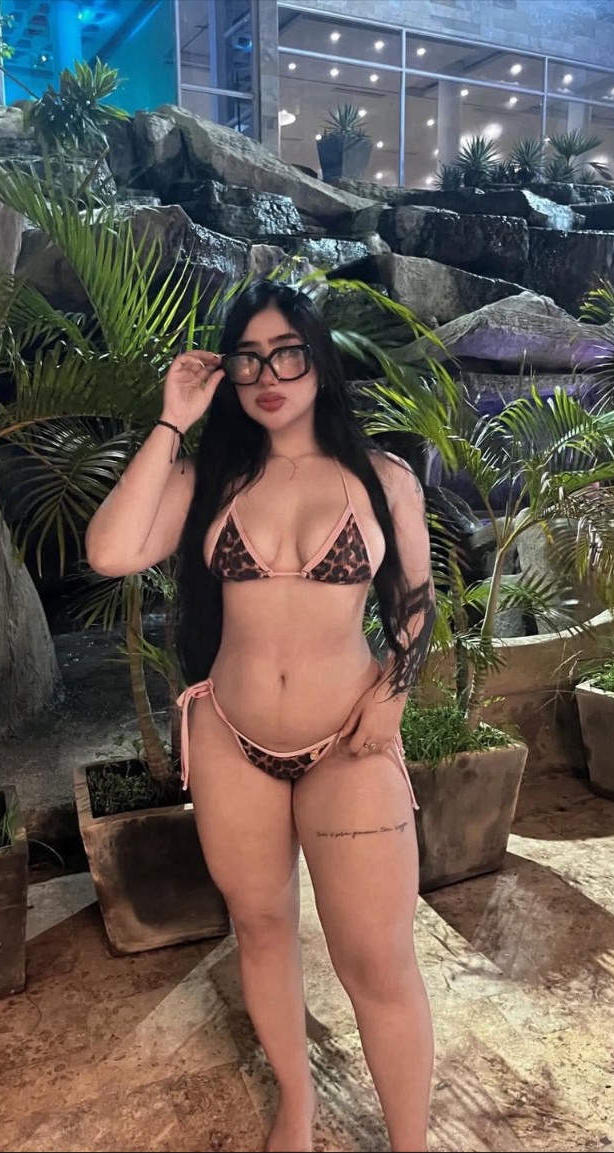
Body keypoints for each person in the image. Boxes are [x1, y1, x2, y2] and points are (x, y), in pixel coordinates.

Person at [86, 281, 436, 1153]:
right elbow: (111, 550)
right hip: (231, 738)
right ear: (229, 372)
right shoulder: (211, 478)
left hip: (348, 743)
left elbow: (414, 602)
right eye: (248, 359)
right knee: (261, 924)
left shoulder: (383, 477)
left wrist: (394, 694)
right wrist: (173, 419)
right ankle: (297, 1104)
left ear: (318, 358)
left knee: (377, 959)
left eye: (287, 354)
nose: (268, 376)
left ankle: (412, 1143)